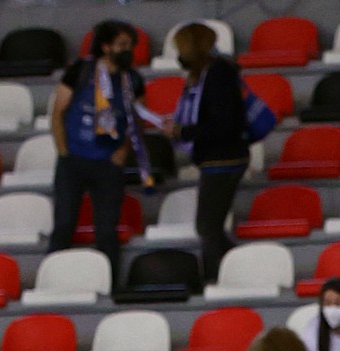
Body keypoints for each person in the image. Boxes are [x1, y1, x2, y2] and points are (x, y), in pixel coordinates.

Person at [48, 19, 154, 290]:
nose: (128, 50)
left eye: (130, 45)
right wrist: (63, 151)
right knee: (63, 225)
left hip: (108, 163)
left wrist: (122, 153)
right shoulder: (80, 71)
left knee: (107, 231)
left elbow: (136, 122)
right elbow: (58, 112)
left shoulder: (133, 80)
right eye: (122, 45)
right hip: (73, 160)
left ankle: (109, 287)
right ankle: (50, 283)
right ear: (106, 46)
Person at [170, 20, 257, 288]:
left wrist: (183, 132)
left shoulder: (218, 76)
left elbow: (222, 124)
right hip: (218, 159)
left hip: (223, 159)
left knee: (207, 227)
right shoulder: (210, 74)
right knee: (211, 226)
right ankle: (239, 267)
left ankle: (217, 279)